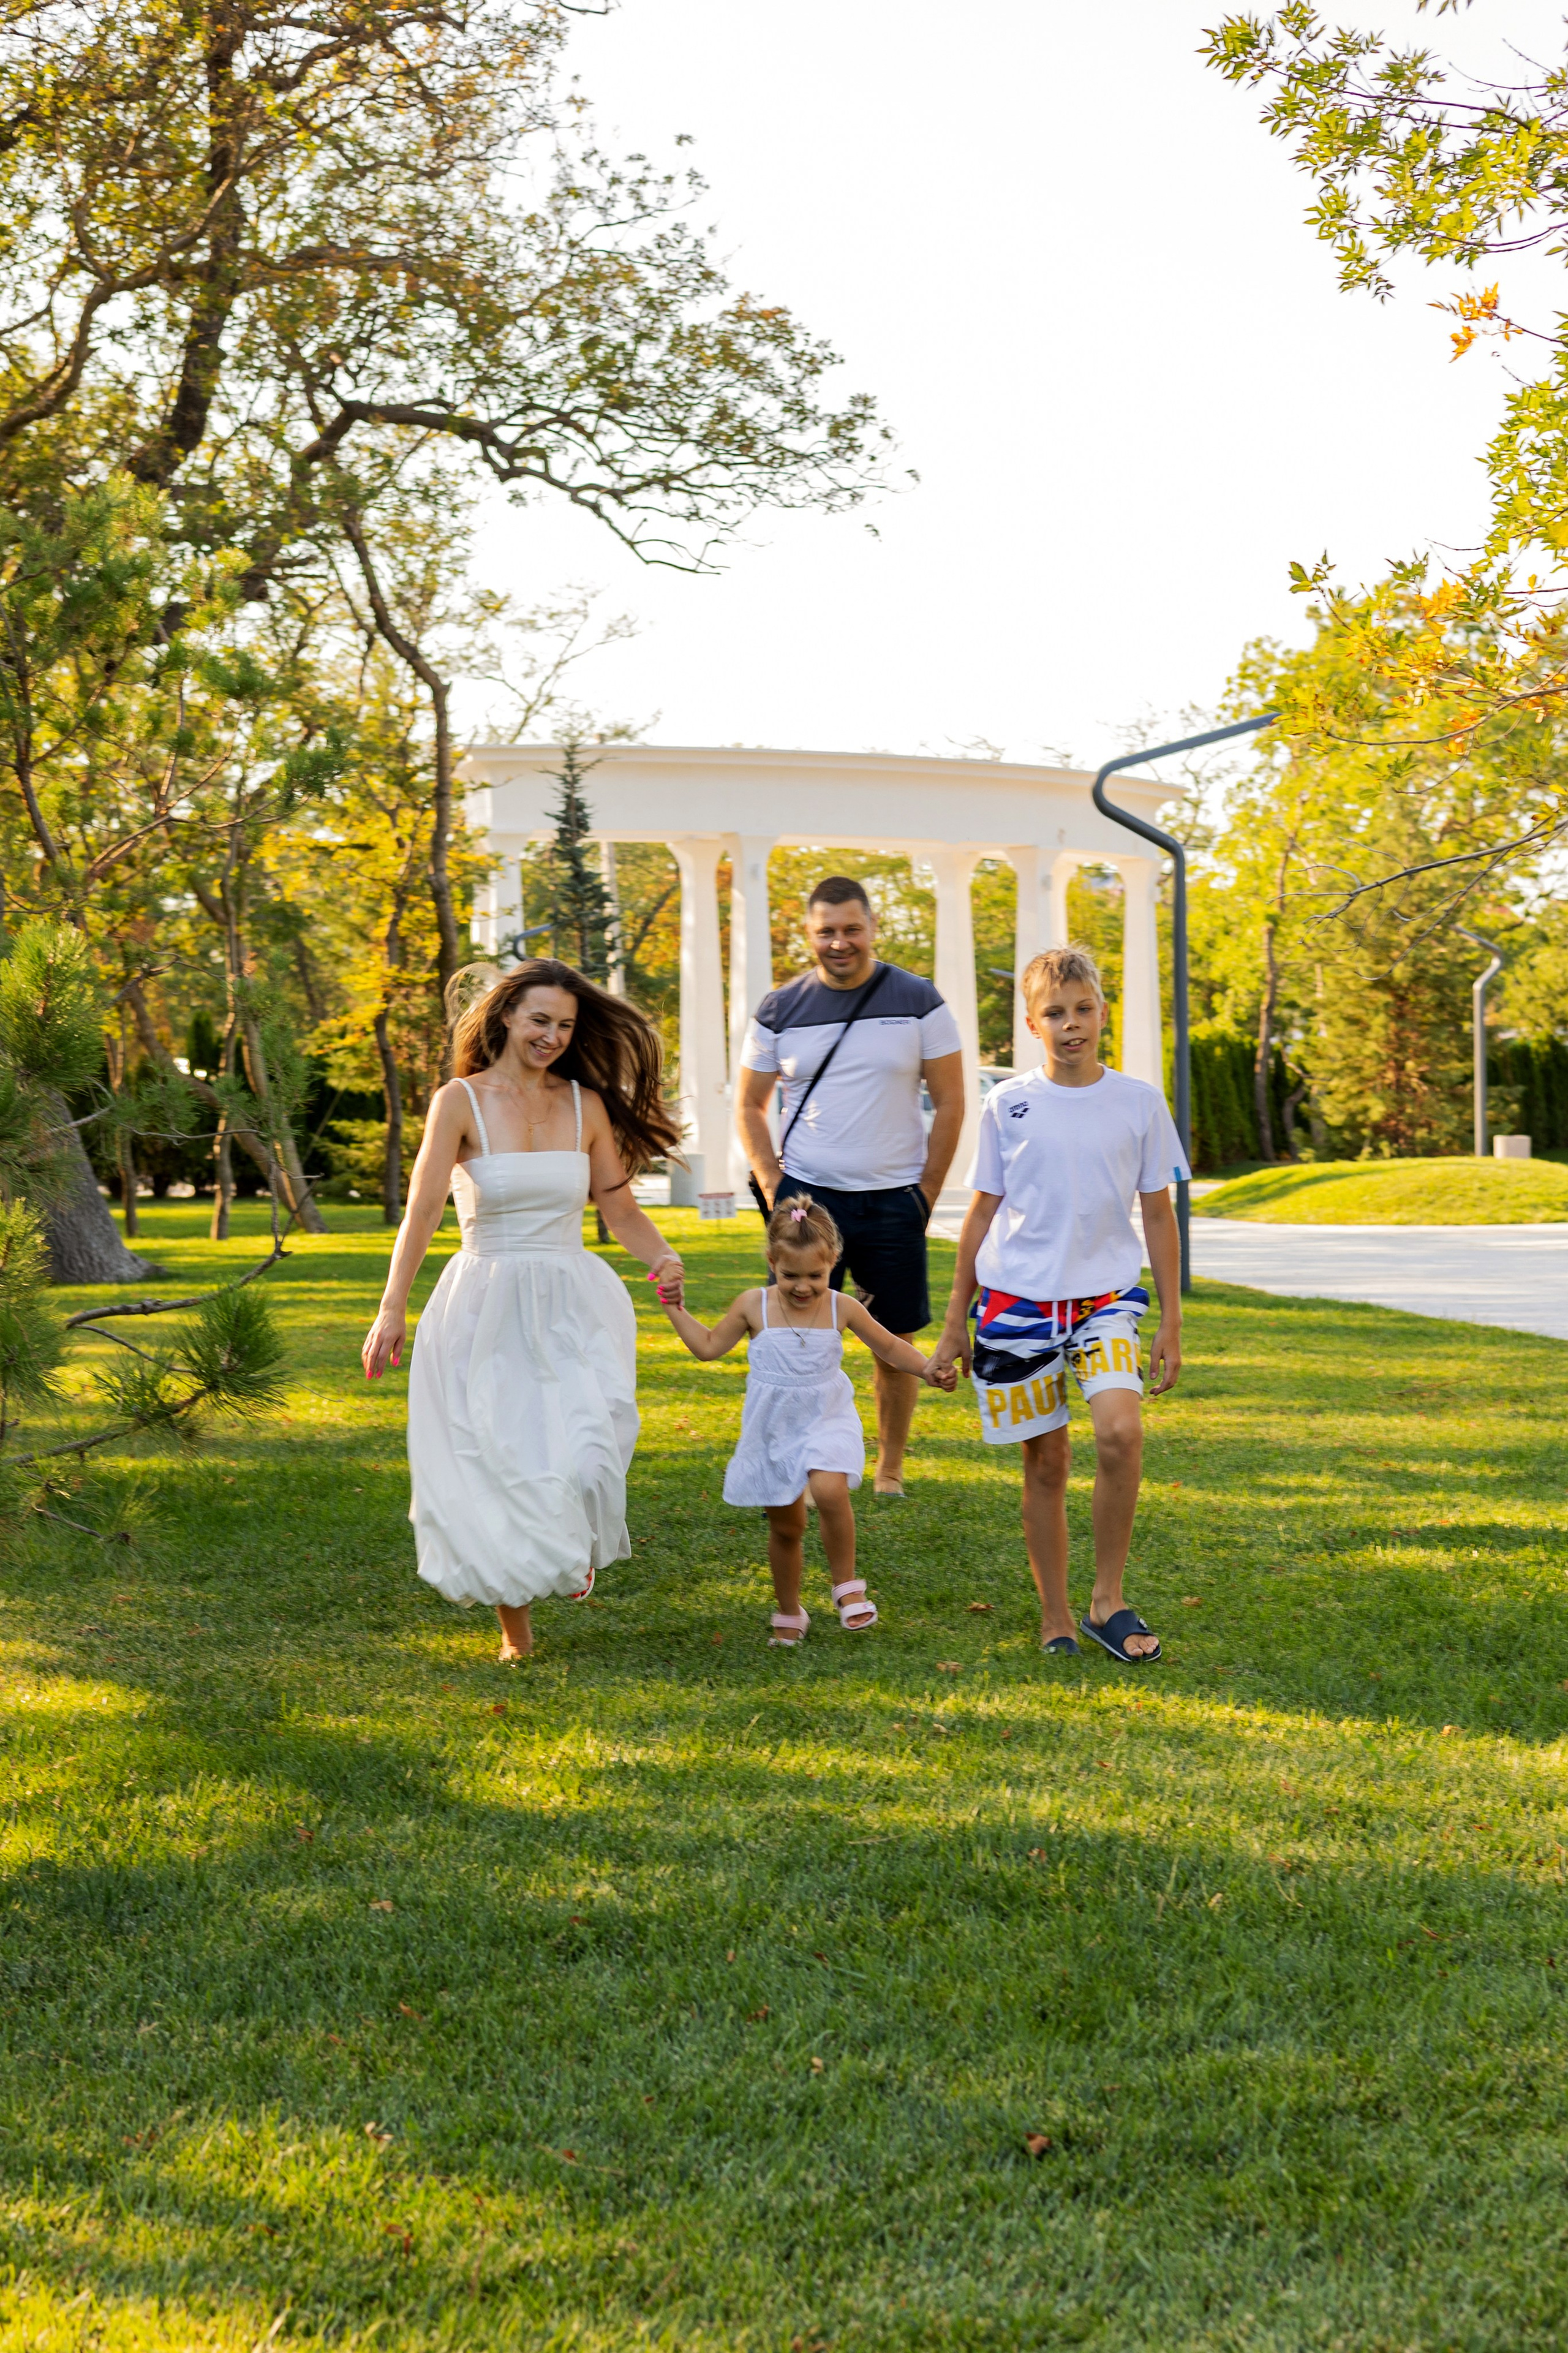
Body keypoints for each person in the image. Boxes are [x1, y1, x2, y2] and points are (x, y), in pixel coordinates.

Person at [360, 959, 685, 1663]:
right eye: (541, 1020)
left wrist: (661, 1255)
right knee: (499, 1457)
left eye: (565, 1025)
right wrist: (393, 1309)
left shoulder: (584, 1105)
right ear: (505, 1015)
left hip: (570, 1301)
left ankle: (568, 1546)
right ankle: (517, 1633)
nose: (553, 1036)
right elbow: (421, 1212)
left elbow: (620, 1208)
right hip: (484, 1301)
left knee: (589, 1455)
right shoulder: (459, 1101)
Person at [930, 945, 1185, 1663]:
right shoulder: (1006, 1103)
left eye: (1082, 1009)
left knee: (1120, 1434)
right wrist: (956, 1322)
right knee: (1045, 1463)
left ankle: (1108, 1600)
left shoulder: (1138, 1102)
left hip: (1105, 1300)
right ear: (1032, 1023)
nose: (1071, 1025)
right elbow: (980, 1216)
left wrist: (1170, 1318)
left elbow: (1158, 1215)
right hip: (1017, 1307)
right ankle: (1056, 1614)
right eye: (1054, 1013)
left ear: (1102, 1010)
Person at [736, 875, 965, 1498]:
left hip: (894, 1199)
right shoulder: (779, 1008)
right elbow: (750, 1104)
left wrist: (924, 1196)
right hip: (809, 1200)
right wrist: (773, 1184)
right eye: (826, 932)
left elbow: (950, 1101)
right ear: (810, 936)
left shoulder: (920, 999)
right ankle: (802, 1467)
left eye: (851, 929)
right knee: (795, 1339)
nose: (840, 943)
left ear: (871, 928)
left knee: (894, 1340)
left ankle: (888, 1469)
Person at [658, 1192, 956, 1644]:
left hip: (826, 1417)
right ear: (771, 1260)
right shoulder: (752, 1305)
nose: (802, 1287)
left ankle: (847, 1587)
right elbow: (707, 1347)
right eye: (789, 1275)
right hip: (773, 1427)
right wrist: (674, 1307)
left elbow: (891, 1346)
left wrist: (929, 1367)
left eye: (815, 1275)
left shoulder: (842, 1307)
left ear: (833, 1262)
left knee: (829, 1487)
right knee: (786, 1526)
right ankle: (789, 1609)